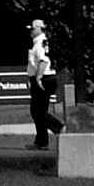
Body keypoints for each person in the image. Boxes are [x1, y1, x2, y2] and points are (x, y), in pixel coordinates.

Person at [27, 18, 64, 149]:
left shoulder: (41, 43)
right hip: (43, 77)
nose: (30, 31)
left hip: (44, 78)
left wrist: (39, 77)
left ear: (39, 29)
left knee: (39, 111)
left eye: (32, 29)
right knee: (37, 111)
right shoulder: (39, 42)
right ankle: (41, 142)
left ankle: (60, 128)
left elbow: (43, 60)